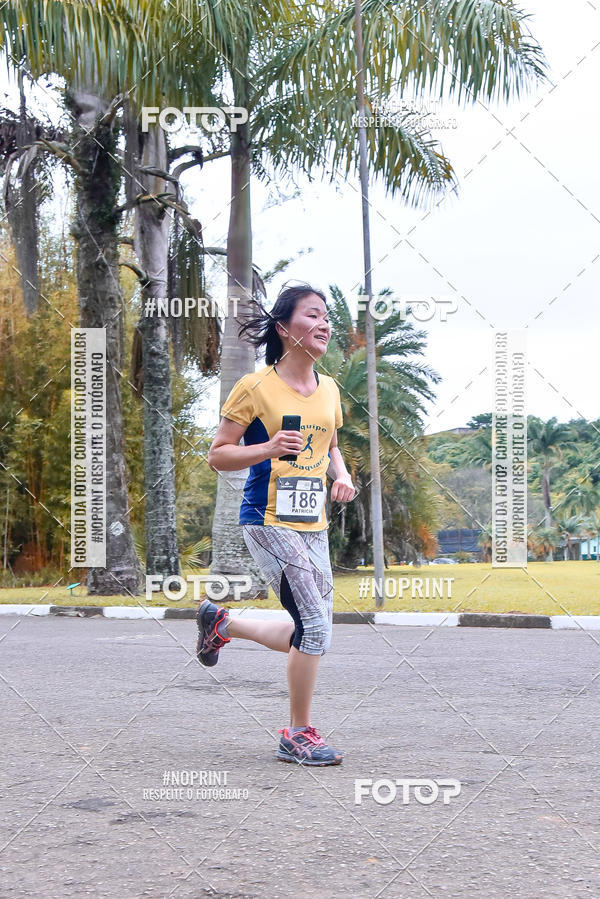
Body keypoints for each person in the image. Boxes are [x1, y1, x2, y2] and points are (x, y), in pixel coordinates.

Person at [197, 282, 356, 766]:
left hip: (313, 523)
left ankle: (222, 622)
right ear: (286, 328)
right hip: (266, 520)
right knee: (314, 625)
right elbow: (218, 455)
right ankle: (298, 733)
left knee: (314, 628)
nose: (325, 324)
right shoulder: (255, 387)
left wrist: (342, 474)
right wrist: (267, 448)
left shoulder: (328, 389)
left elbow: (329, 443)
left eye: (327, 316)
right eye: (313, 315)